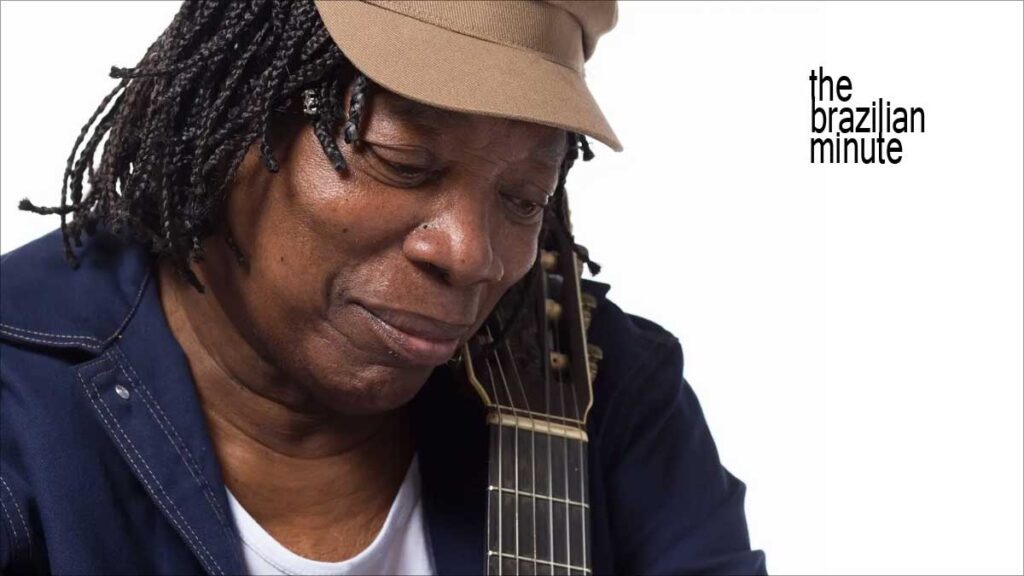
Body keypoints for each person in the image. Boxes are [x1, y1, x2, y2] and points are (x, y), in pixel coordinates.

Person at [0, 1, 767, 573]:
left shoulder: (606, 388)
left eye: (523, 198)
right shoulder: (18, 412)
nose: (470, 255)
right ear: (232, 116)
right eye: (402, 161)